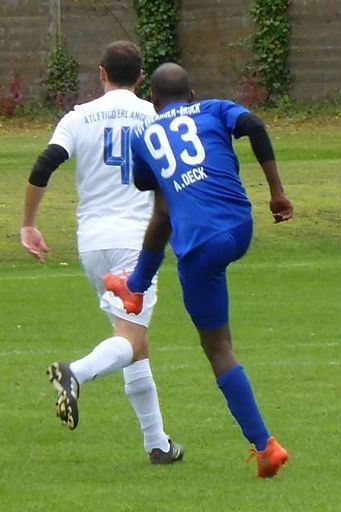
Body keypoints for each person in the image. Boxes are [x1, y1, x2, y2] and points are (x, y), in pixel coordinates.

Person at [104, 63, 293, 478]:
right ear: (192, 95)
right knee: (165, 213)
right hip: (239, 227)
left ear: (153, 101)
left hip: (200, 247)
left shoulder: (143, 135)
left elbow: (147, 189)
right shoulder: (216, 109)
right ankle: (136, 287)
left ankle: (265, 445)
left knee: (218, 347)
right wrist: (277, 193)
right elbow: (255, 125)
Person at [20, 41, 183, 464]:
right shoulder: (156, 116)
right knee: (129, 337)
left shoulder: (79, 117)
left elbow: (44, 165)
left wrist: (28, 224)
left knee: (134, 340)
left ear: (101, 73)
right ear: (141, 77)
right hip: (138, 242)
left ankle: (158, 444)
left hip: (92, 243)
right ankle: (76, 372)